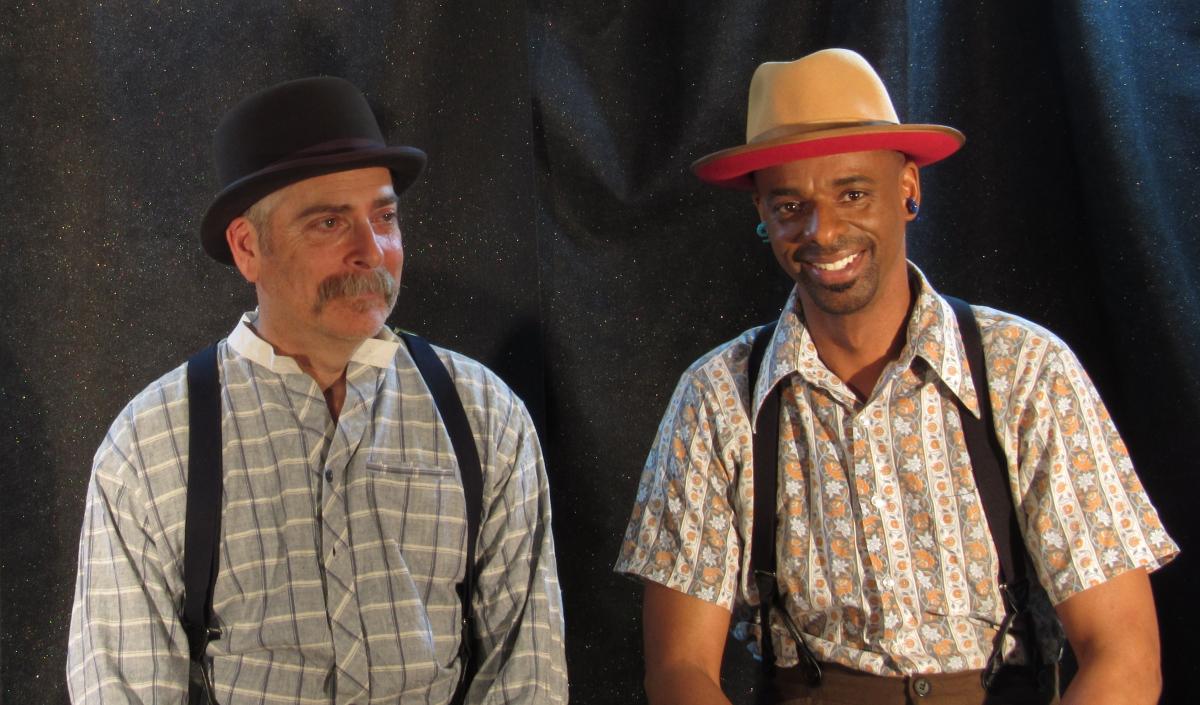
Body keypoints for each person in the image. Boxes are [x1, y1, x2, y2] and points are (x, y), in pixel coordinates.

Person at [614, 49, 1177, 705]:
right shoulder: (716, 397)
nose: (822, 231)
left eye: (853, 193)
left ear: (908, 187)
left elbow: (1125, 657)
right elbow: (680, 671)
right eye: (790, 204)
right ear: (762, 214)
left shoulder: (1025, 371)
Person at [67, 77, 567, 704]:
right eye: (330, 222)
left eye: (384, 217)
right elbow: (123, 690)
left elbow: (528, 674)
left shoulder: (486, 416)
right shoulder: (149, 446)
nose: (371, 252)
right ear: (249, 248)